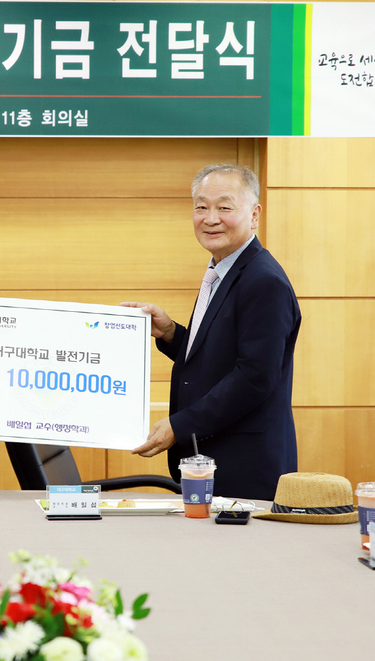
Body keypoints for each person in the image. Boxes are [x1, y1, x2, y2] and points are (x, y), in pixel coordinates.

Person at [122, 164, 300, 501]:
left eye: (224, 207)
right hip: (216, 464)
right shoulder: (223, 270)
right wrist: (171, 333)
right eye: (201, 207)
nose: (211, 218)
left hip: (244, 469)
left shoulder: (264, 281)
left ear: (254, 215)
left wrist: (179, 426)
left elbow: (254, 378)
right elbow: (219, 358)